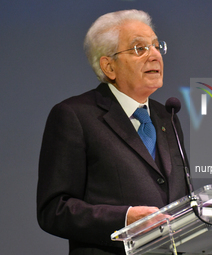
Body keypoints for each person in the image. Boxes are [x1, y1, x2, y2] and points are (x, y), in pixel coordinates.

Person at [37, 10, 188, 255]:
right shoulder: (75, 116)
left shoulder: (167, 116)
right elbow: (54, 209)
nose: (154, 55)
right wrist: (125, 219)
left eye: (156, 46)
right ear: (109, 66)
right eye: (139, 48)